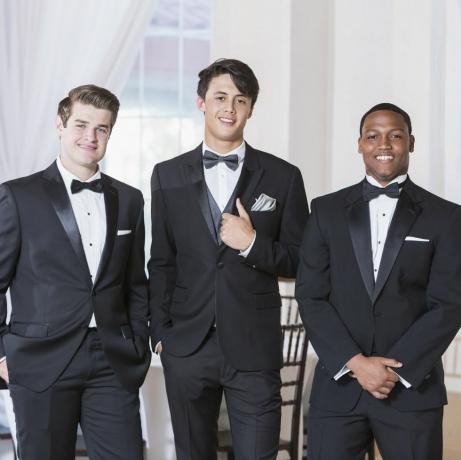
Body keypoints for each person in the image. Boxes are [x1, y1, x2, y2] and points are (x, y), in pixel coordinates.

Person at [148, 58, 309, 460]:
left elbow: (302, 260)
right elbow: (162, 261)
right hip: (185, 346)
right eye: (220, 97)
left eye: (240, 99)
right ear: (201, 102)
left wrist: (253, 243)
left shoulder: (283, 176)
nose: (229, 108)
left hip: (254, 348)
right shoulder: (166, 175)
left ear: (251, 108)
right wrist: (161, 335)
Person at [296, 102, 461, 459]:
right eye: (373, 136)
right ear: (359, 144)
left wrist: (390, 371)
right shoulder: (325, 211)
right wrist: (356, 363)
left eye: (395, 136)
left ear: (411, 142)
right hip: (339, 388)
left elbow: (449, 304)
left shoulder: (446, 217)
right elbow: (311, 296)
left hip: (411, 389)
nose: (383, 144)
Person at [0, 84, 151, 460]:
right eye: (81, 125)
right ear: (60, 125)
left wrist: (137, 341)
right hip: (39, 359)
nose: (90, 137)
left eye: (101, 129)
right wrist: (2, 352)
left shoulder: (130, 200)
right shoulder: (17, 196)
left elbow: (135, 283)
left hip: (112, 361)